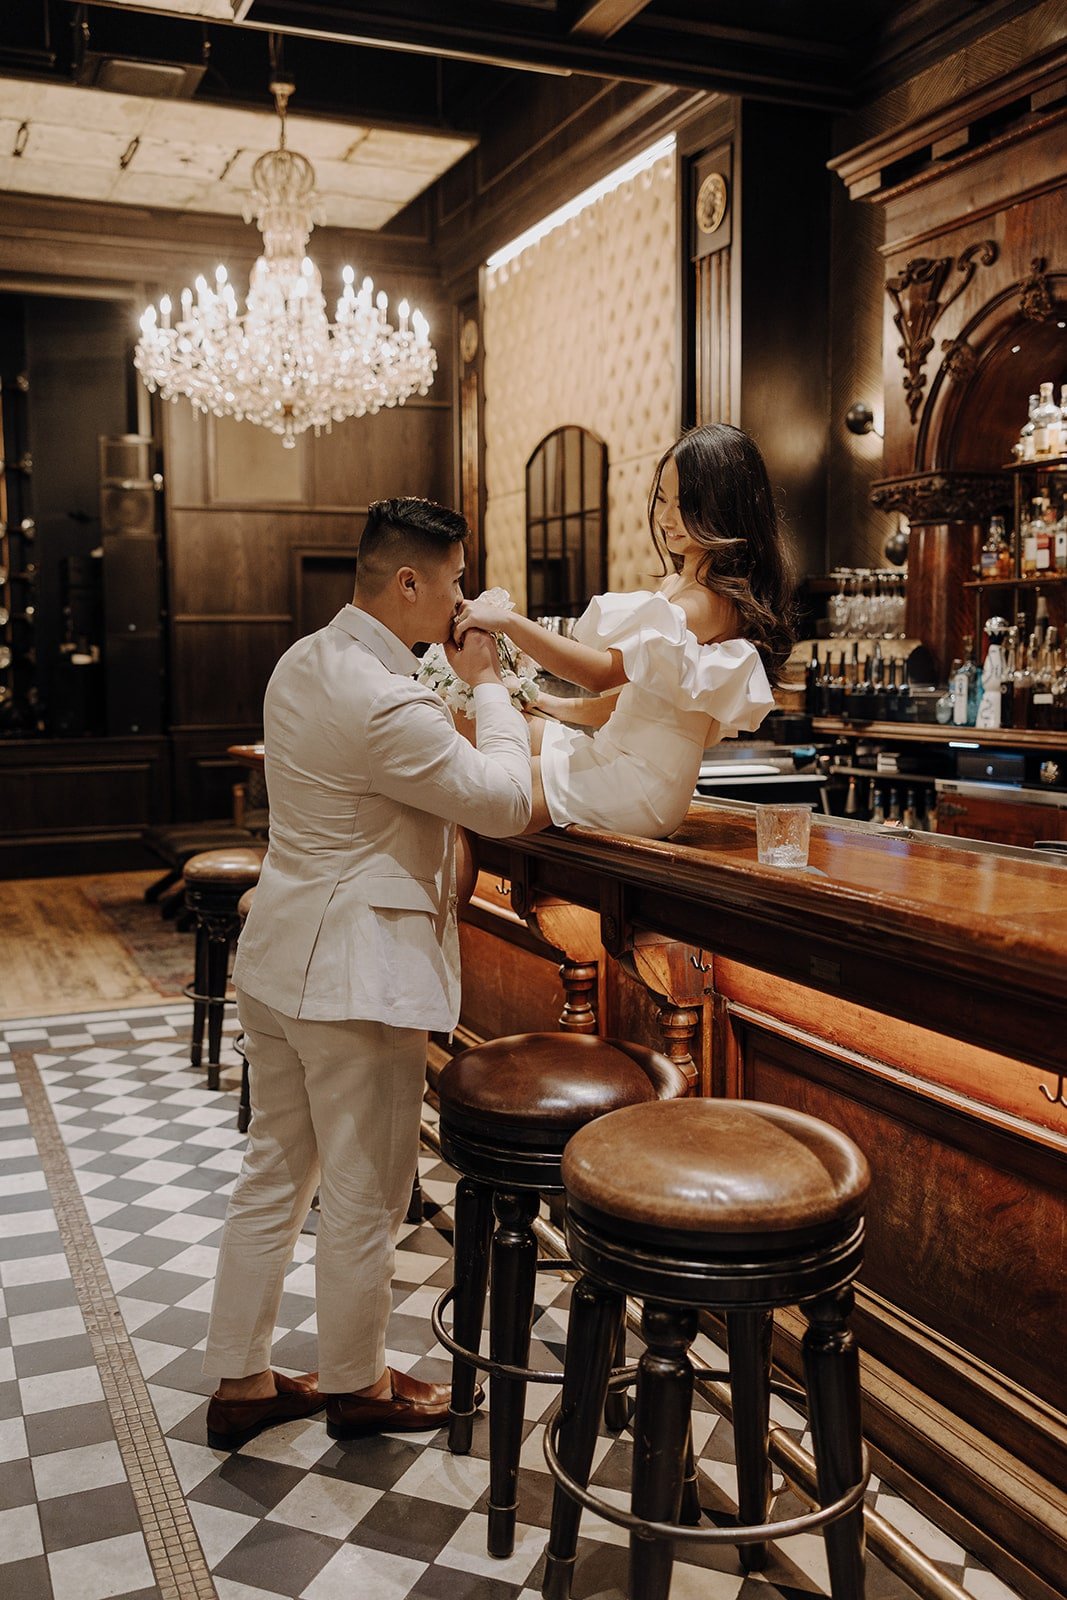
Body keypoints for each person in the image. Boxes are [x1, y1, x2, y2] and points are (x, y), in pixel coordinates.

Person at [202, 497, 531, 1449]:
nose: (462, 597)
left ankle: (243, 1381)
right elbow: (505, 800)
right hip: (355, 976)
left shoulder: (302, 661)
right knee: (363, 1190)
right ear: (409, 584)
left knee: (274, 1173)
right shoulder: (384, 699)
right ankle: (357, 1385)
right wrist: (492, 686)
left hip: (279, 958)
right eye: (457, 579)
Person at [454, 422, 795, 839]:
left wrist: (506, 620)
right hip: (616, 757)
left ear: (724, 508)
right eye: (663, 500)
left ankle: (444, 903)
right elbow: (630, 702)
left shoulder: (706, 604)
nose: (667, 519)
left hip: (641, 783)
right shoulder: (679, 586)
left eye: (683, 505)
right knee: (469, 734)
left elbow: (600, 674)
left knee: (479, 788)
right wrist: (541, 701)